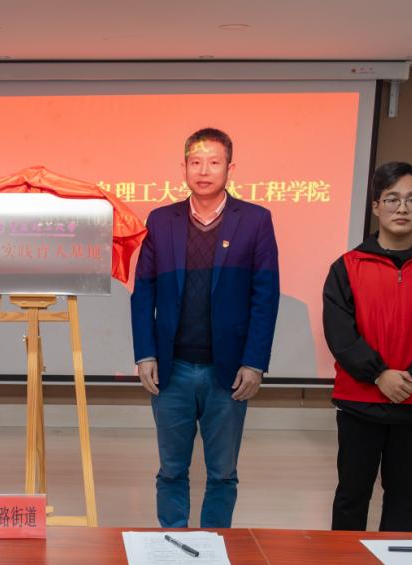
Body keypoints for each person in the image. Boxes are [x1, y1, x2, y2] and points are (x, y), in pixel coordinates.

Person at [131, 128, 280, 528]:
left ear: (230, 168)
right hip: (172, 368)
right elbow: (143, 292)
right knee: (171, 470)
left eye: (214, 162)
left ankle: (216, 544)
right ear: (183, 167)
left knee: (222, 473)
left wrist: (255, 362)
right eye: (195, 162)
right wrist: (145, 352)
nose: (203, 171)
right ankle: (171, 544)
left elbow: (265, 297)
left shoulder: (255, 220)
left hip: (227, 371)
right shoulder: (162, 220)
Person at [325, 162, 412, 532]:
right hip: (360, 401)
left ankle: (397, 557)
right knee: (352, 494)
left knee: (404, 496)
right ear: (376, 206)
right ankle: (345, 559)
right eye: (392, 199)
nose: (402, 208)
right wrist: (378, 374)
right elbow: (340, 333)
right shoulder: (348, 266)